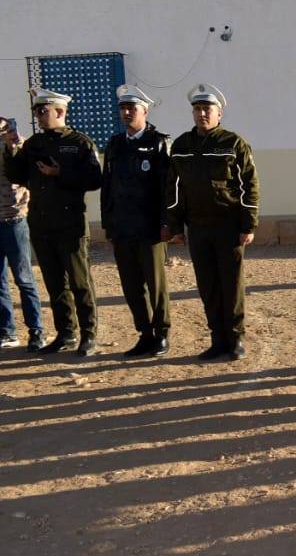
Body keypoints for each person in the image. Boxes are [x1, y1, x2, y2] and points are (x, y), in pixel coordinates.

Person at [163, 84, 259, 361]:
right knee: (207, 286)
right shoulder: (181, 145)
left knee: (231, 284)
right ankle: (218, 339)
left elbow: (249, 185)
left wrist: (248, 225)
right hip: (198, 227)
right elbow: (174, 188)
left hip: (228, 225)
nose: (202, 113)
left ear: (219, 113)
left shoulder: (233, 143)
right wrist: (176, 226)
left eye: (207, 109)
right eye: (197, 109)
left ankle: (236, 339)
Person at [2, 88, 102, 356]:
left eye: (42, 110)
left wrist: (61, 173)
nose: (38, 115)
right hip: (42, 222)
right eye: (36, 111)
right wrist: (11, 150)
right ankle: (66, 333)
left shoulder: (79, 142)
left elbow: (94, 179)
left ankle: (89, 334)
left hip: (70, 222)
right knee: (55, 283)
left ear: (59, 111)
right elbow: (17, 175)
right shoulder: (34, 144)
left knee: (80, 282)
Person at [102, 85, 172, 357]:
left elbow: (168, 188)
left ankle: (162, 333)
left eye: (132, 108)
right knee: (131, 286)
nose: (127, 113)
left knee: (156, 285)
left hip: (150, 227)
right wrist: (108, 224)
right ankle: (145, 333)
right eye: (123, 108)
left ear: (145, 111)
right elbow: (108, 187)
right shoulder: (115, 144)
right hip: (122, 227)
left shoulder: (159, 142)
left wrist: (167, 223)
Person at [0, 115, 45, 351]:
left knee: (24, 278)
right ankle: (7, 332)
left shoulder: (16, 140)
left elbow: (25, 171)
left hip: (13, 219)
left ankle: (36, 331)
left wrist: (11, 141)